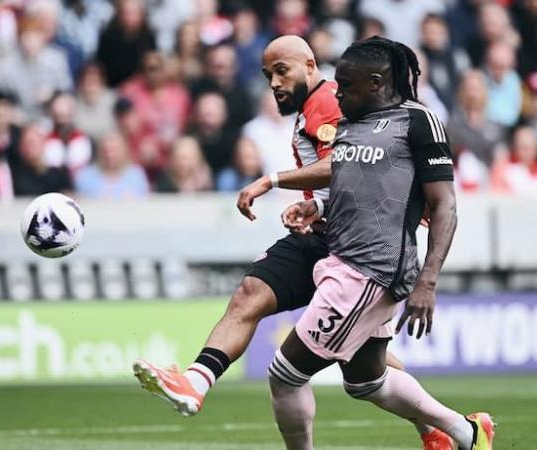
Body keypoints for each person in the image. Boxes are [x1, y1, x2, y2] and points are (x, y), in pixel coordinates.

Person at [133, 35, 456, 450]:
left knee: (342, 370)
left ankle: (441, 426)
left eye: (281, 71)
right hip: (324, 233)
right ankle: (195, 382)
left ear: (309, 65)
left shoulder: (331, 103)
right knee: (259, 298)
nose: (274, 83)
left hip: (353, 247)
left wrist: (274, 180)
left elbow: (346, 164)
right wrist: (316, 206)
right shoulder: (313, 109)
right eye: (268, 75)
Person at [237, 36, 494, 450]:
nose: (337, 93)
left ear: (376, 83)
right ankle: (467, 432)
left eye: (345, 86)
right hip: (344, 259)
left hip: (371, 269)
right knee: (366, 381)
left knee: (285, 374)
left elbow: (444, 205)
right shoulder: (352, 123)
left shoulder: (418, 120)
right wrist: (317, 208)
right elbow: (356, 188)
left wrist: (427, 281)